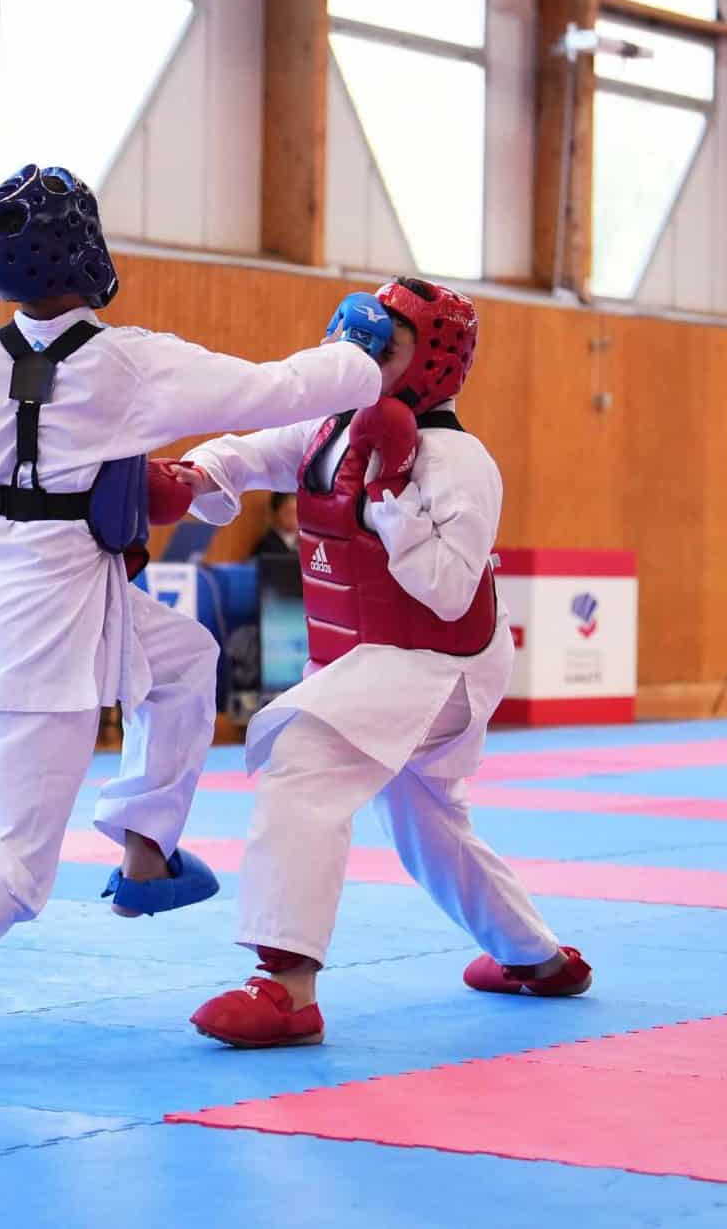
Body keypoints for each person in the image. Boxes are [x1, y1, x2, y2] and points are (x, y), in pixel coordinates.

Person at [0, 165, 384, 1069]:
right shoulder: (124, 362)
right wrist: (361, 355)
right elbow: (275, 390)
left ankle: (147, 848)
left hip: (4, 587)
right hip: (48, 619)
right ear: (87, 252)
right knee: (13, 864)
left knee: (184, 659)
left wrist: (22, 463)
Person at [167, 279, 592, 1049]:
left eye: (384, 346)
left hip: (437, 663)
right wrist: (195, 475)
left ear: (430, 362)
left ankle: (287, 986)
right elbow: (256, 451)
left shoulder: (460, 460)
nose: (359, 353)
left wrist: (391, 495)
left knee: (306, 756)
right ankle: (538, 957)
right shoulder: (334, 427)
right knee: (425, 820)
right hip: (369, 661)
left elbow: (447, 588)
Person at [252, 493, 300, 558]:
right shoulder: (266, 546)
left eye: (298, 512)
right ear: (275, 513)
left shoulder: (304, 542)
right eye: (288, 512)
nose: (294, 518)